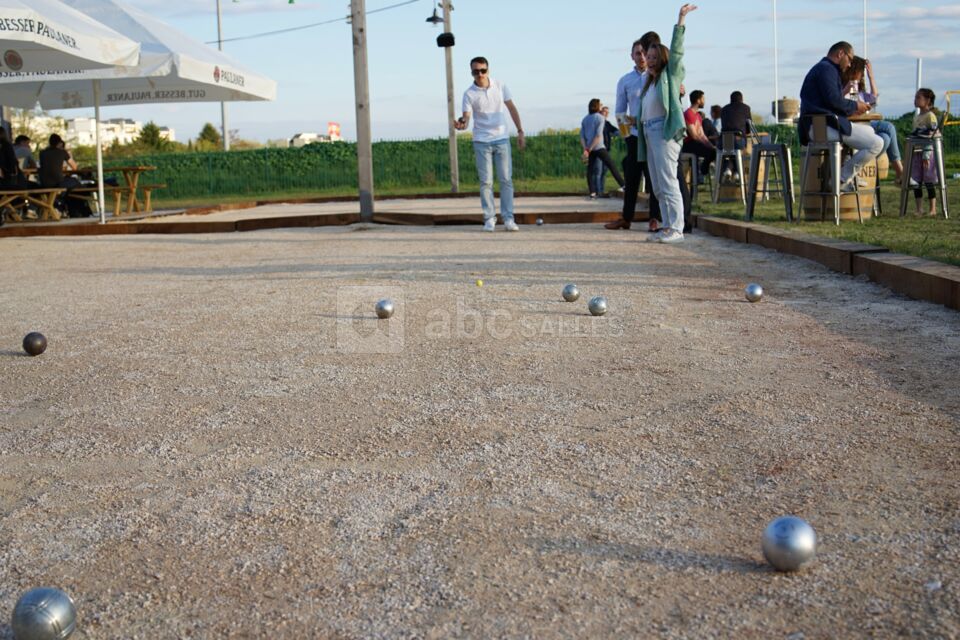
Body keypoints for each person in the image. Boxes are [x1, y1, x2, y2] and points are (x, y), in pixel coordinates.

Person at [635, 4, 697, 244]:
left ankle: (677, 228)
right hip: (650, 133)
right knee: (658, 184)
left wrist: (680, 19)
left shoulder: (669, 76)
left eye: (652, 57)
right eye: (646, 57)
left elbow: (678, 51)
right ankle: (667, 225)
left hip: (664, 132)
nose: (648, 61)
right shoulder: (648, 83)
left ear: (661, 59)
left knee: (669, 180)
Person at [799, 41, 883, 192]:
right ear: (840, 54)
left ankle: (846, 174)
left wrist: (850, 108)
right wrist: (856, 106)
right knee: (877, 143)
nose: (850, 64)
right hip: (824, 128)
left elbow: (830, 101)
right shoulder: (827, 70)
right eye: (850, 59)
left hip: (816, 127)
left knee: (870, 133)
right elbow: (834, 100)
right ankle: (842, 178)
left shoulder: (822, 68)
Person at [454, 56, 525, 232]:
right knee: (486, 182)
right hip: (481, 141)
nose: (480, 74)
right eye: (475, 71)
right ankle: (489, 218)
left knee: (506, 179)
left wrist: (520, 131)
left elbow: (511, 108)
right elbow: (467, 117)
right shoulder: (469, 93)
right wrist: (462, 124)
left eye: (482, 70)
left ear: (488, 70)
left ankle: (508, 218)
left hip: (501, 138)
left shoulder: (500, 86)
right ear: (471, 72)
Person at [841, 56, 904, 184]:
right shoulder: (848, 86)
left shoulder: (856, 87)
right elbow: (851, 103)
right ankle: (900, 172)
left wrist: (872, 77)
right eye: (861, 71)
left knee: (886, 138)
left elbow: (874, 99)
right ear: (854, 71)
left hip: (864, 123)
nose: (862, 75)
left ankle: (856, 170)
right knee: (889, 127)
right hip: (857, 125)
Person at [580, 100, 625, 198]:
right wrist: (591, 147)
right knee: (611, 166)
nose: (601, 106)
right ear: (596, 106)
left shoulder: (585, 119)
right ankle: (623, 185)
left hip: (589, 149)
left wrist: (586, 149)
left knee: (590, 171)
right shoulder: (600, 118)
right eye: (600, 104)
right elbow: (598, 135)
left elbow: (582, 137)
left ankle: (592, 192)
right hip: (599, 147)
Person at [909, 88, 939, 216]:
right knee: (916, 181)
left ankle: (933, 209)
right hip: (917, 153)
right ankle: (919, 208)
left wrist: (926, 154)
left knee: (929, 180)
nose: (915, 100)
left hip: (927, 153)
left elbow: (932, 135)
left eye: (918, 97)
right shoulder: (916, 117)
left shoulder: (930, 116)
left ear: (927, 101)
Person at [681, 89, 715, 179]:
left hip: (695, 143)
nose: (704, 101)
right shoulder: (688, 113)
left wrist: (711, 145)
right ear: (698, 100)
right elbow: (694, 135)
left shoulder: (698, 116)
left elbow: (702, 135)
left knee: (715, 151)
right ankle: (703, 170)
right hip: (688, 144)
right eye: (703, 99)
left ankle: (703, 169)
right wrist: (707, 146)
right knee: (711, 152)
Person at [719, 91, 752, 180]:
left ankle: (728, 169)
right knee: (738, 150)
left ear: (730, 99)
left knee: (729, 150)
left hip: (724, 139)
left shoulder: (724, 109)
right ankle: (737, 172)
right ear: (742, 99)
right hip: (738, 138)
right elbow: (749, 127)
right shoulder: (746, 108)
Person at [597, 105, 625, 195]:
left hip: (606, 150)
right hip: (598, 149)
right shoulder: (598, 122)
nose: (606, 114)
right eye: (605, 112)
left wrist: (626, 133)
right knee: (598, 171)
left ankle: (601, 189)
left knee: (604, 172)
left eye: (607, 112)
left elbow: (616, 131)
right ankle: (598, 191)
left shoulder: (607, 124)